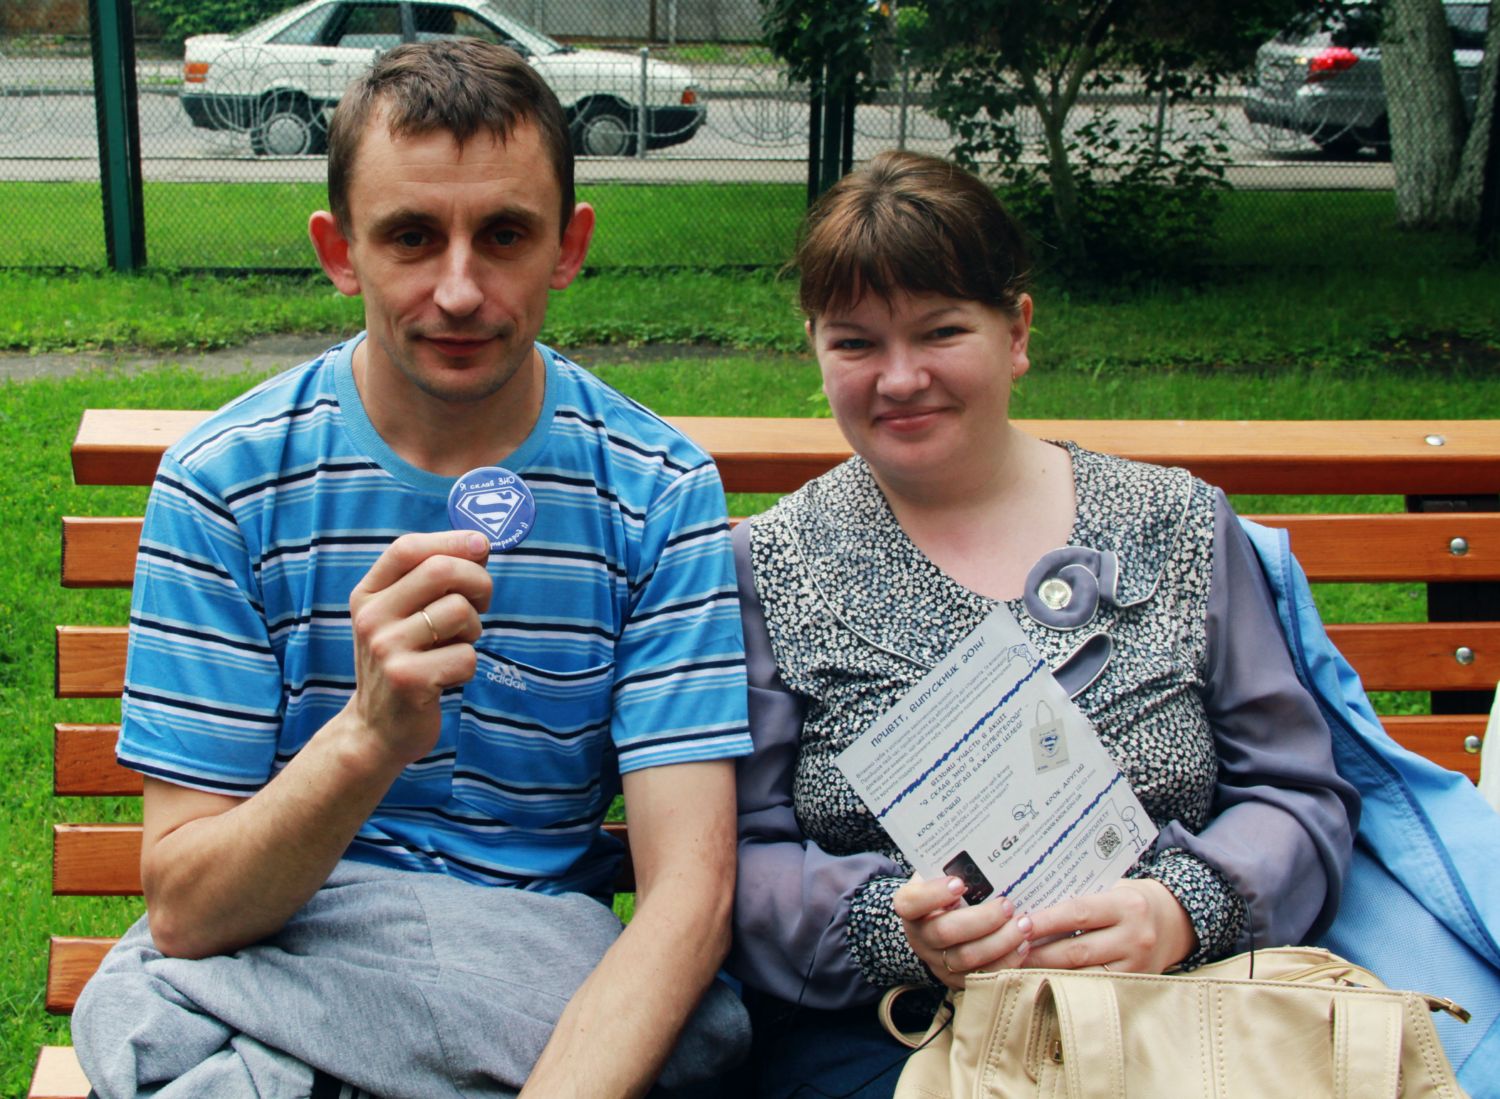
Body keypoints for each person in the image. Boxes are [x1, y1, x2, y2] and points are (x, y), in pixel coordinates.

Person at [73, 39, 751, 1099]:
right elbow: (191, 910)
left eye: (505, 235)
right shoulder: (226, 485)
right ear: (340, 251)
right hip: (294, 935)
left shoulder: (655, 492)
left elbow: (689, 897)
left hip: (526, 973)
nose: (460, 290)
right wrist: (369, 735)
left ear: (568, 246)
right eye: (411, 237)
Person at [726, 150, 1360, 1098]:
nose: (900, 377)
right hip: (899, 1035)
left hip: (1185, 1024)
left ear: (1017, 331)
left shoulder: (1175, 523)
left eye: (942, 331)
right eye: (855, 343)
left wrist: (1182, 908)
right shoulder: (770, 564)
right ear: (813, 347)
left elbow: (1298, 792)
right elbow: (736, 851)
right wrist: (895, 930)